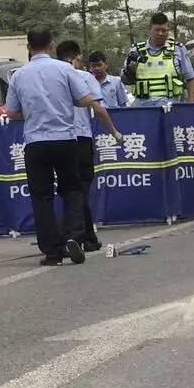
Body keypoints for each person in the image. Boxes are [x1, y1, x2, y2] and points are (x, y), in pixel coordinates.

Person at [6, 27, 122, 266]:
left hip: (35, 143)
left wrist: (33, 111)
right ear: (50, 45)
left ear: (28, 48)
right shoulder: (65, 69)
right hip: (65, 139)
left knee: (41, 197)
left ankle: (51, 252)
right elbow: (84, 99)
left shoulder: (18, 75)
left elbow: (12, 112)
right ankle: (73, 237)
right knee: (72, 191)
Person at [56, 40, 107, 253]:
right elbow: (98, 107)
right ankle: (73, 235)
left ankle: (87, 238)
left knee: (71, 189)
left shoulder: (53, 77)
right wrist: (113, 130)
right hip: (82, 138)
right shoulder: (85, 77)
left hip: (60, 139)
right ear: (76, 57)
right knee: (81, 189)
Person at [124, 12, 194, 105]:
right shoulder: (136, 50)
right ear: (149, 29)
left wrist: (191, 105)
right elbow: (124, 79)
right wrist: (130, 70)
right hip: (143, 108)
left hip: (171, 108)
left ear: (168, 30)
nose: (160, 33)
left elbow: (191, 79)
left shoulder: (178, 49)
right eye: (157, 30)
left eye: (164, 30)